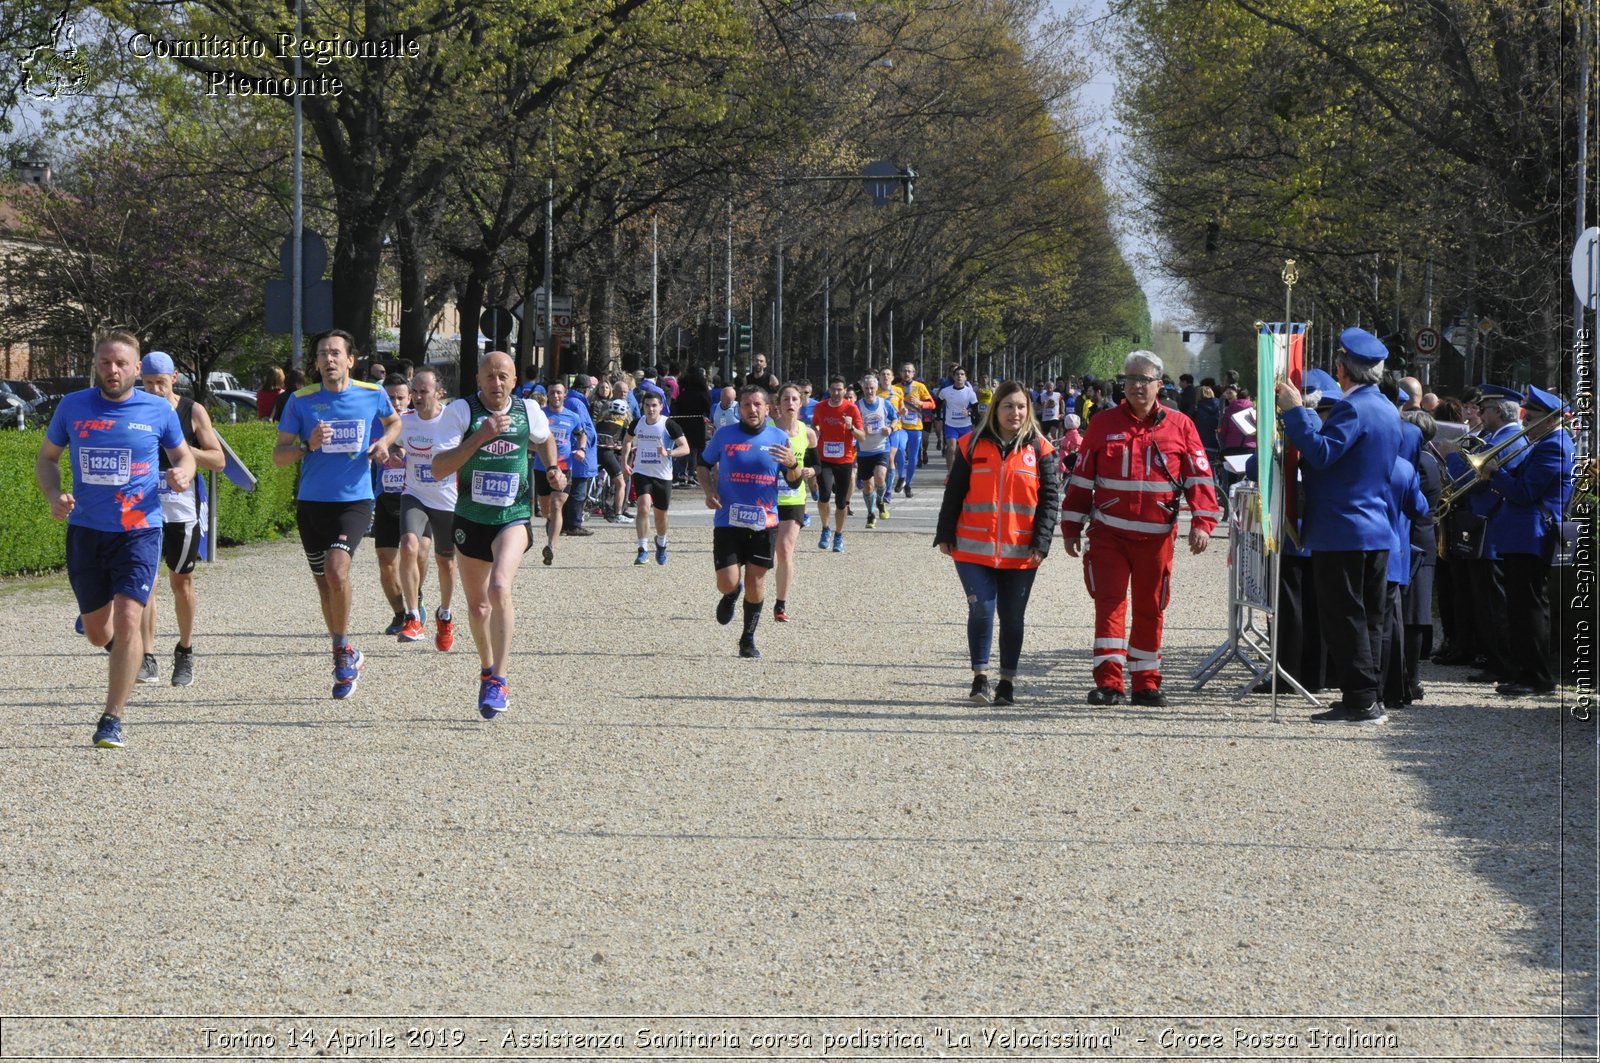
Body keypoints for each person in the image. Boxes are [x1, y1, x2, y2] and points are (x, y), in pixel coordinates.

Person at [37, 331, 196, 747]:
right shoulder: (73, 406)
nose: (113, 370)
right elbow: (47, 458)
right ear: (95, 364)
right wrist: (54, 494)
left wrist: (184, 472)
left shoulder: (157, 409)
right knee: (97, 633)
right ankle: (114, 646)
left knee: (129, 620)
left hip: (140, 530)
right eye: (105, 362)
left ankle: (112, 718)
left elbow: (184, 455)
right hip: (88, 530)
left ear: (137, 368)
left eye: (121, 363)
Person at [1061, 350, 1219, 707]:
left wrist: (1203, 522)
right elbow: (1082, 477)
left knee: (1151, 608)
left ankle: (1146, 683)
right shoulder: (1103, 424)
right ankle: (1109, 683)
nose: (1135, 386)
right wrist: (1070, 525)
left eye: (1143, 380)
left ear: (1159, 384)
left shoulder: (1181, 426)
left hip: (1157, 539)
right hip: (1109, 537)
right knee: (1110, 605)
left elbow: (1199, 477)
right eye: (1129, 379)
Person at [1274, 326, 1402, 725]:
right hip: (1374, 527)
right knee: (1368, 618)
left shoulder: (1352, 408)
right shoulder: (1385, 407)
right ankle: (1369, 696)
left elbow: (1322, 453)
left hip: (1344, 529)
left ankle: (1360, 699)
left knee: (1345, 617)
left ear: (1343, 368)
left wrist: (1296, 412)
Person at [429, 351, 561, 718]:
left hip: (512, 516)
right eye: (490, 376)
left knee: (500, 588)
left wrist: (552, 468)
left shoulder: (527, 411)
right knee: (477, 606)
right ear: (478, 379)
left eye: (504, 376)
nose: (497, 383)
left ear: (514, 381)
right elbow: (438, 468)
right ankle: (487, 670)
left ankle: (500, 679)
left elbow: (546, 438)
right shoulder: (460, 412)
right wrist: (480, 438)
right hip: (470, 517)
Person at [274, 330, 402, 699]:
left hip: (354, 501)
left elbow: (395, 423)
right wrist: (306, 444)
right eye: (321, 354)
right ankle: (344, 648)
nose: (328, 360)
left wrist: (383, 442)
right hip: (312, 503)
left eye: (335, 353)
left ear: (350, 359)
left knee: (336, 570)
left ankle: (342, 649)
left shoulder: (371, 393)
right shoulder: (300, 401)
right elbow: (279, 457)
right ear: (315, 363)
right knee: (324, 585)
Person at [935, 381, 1059, 705]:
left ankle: (1007, 682)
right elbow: (954, 493)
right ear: (995, 409)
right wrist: (945, 533)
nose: (1014, 413)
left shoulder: (1040, 448)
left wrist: (1042, 542)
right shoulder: (971, 444)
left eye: (1020, 407)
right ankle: (980, 679)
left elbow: (1049, 500)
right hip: (973, 548)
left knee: (1013, 616)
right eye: (1008, 406)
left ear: (1028, 410)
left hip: (1021, 552)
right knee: (982, 611)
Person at [136, 352, 226, 687]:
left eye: (160, 382)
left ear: (174, 377)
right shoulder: (134, 412)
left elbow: (218, 459)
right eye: (147, 383)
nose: (155, 390)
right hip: (143, 509)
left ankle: (185, 650)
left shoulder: (192, 411)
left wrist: (185, 454)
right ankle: (147, 656)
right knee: (147, 583)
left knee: (180, 581)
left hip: (182, 510)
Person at [1480, 385, 1575, 696]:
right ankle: (1526, 672)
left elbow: (1524, 492)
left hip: (1533, 534)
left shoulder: (1554, 445)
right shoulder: (1546, 442)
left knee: (1529, 607)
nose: (1524, 424)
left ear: (1548, 420)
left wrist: (1495, 475)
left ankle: (1537, 676)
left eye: (1531, 418)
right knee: (1521, 606)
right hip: (1523, 533)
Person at [697, 385, 798, 659]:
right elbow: (702, 464)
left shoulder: (778, 437)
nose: (752, 410)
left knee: (756, 582)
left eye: (757, 405)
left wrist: (792, 465)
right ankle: (731, 594)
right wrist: (709, 492)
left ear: (768, 408)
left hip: (764, 523)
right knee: (727, 582)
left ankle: (747, 639)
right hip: (728, 520)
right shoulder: (724, 435)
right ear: (738, 409)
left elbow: (795, 481)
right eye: (746, 405)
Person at [395, 367, 460, 650]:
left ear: (439, 393)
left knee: (446, 562)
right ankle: (412, 617)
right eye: (415, 392)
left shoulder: (453, 420)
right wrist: (393, 452)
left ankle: (444, 614)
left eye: (425, 391)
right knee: (409, 545)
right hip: (415, 495)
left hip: (446, 500)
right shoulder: (404, 421)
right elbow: (392, 442)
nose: (419, 397)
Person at [623, 389, 689, 565]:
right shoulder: (637, 423)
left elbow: (685, 448)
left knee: (661, 515)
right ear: (642, 406)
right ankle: (642, 549)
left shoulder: (669, 425)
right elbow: (627, 440)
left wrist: (668, 452)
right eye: (647, 405)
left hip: (663, 475)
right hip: (642, 471)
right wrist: (624, 462)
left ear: (661, 407)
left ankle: (661, 542)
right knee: (643, 507)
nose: (650, 409)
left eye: (654, 405)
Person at [771, 382, 819, 622]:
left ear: (801, 403)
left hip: (794, 498)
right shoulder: (768, 429)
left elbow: (817, 463)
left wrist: (810, 470)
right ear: (778, 404)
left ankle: (780, 604)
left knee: (785, 550)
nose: (790, 404)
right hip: (766, 498)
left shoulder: (807, 432)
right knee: (763, 553)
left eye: (794, 400)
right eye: (785, 399)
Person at [372, 374, 414, 635]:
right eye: (391, 398)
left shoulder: (419, 423)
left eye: (401, 397)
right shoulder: (376, 424)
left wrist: (407, 459)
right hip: (384, 497)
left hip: (416, 498)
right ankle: (400, 614)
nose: (396, 402)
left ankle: (415, 600)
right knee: (386, 561)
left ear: (410, 398)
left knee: (416, 554)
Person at [533, 379, 585, 564]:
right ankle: (550, 521)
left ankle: (551, 547)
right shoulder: (540, 415)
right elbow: (530, 439)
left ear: (565, 395)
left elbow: (581, 434)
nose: (555, 396)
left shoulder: (573, 417)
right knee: (546, 508)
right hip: (542, 467)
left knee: (557, 505)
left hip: (564, 467)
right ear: (548, 395)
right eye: (552, 392)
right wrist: (537, 448)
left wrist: (582, 449)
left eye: (559, 392)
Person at [811, 375, 863, 552]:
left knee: (841, 502)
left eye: (839, 389)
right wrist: (815, 433)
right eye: (833, 389)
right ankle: (826, 528)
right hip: (824, 459)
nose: (836, 393)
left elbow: (862, 436)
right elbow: (814, 427)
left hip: (844, 460)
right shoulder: (820, 407)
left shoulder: (852, 409)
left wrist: (851, 428)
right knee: (824, 494)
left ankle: (839, 535)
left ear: (844, 390)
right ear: (829, 389)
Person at [855, 373, 895, 527]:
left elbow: (896, 419)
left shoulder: (884, 404)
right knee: (867, 486)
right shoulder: (858, 406)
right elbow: (853, 426)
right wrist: (861, 429)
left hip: (881, 448)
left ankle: (880, 501)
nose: (869, 391)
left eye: (872, 388)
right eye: (866, 389)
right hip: (864, 451)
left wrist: (890, 428)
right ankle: (871, 514)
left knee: (880, 476)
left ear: (876, 388)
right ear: (863, 389)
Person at [892, 362, 935, 496]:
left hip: (916, 427)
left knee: (913, 458)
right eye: (904, 371)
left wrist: (921, 403)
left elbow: (932, 404)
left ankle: (908, 484)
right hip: (901, 426)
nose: (906, 373)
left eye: (909, 371)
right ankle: (901, 477)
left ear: (913, 373)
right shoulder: (894, 388)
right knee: (899, 449)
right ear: (900, 373)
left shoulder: (920, 386)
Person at [937, 366, 979, 466]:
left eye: (962, 374)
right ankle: (950, 474)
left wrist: (968, 413)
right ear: (953, 376)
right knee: (951, 448)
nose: (959, 376)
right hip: (950, 425)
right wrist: (938, 418)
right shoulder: (945, 391)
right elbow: (937, 404)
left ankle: (964, 474)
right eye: (957, 374)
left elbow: (976, 412)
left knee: (964, 452)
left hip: (966, 426)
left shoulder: (970, 392)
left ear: (965, 377)